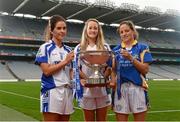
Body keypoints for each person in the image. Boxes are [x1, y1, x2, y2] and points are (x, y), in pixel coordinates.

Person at [35, 15, 74, 121]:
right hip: (52, 91)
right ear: (51, 31)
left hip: (67, 92)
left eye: (64, 28)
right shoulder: (45, 48)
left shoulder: (69, 50)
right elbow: (46, 71)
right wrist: (65, 61)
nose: (62, 31)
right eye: (59, 28)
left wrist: (80, 81)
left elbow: (70, 72)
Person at [112, 20, 153, 121]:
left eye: (126, 30)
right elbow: (112, 69)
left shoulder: (142, 48)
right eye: (121, 32)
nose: (124, 34)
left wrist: (131, 58)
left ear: (133, 31)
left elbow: (145, 69)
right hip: (120, 90)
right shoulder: (116, 50)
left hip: (138, 89)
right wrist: (112, 79)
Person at [74, 18, 112, 121]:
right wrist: (89, 80)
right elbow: (76, 69)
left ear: (99, 30)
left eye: (95, 28)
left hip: (102, 90)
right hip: (86, 90)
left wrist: (101, 79)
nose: (93, 30)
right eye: (90, 28)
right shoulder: (79, 48)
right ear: (86, 30)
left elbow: (109, 67)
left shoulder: (105, 47)